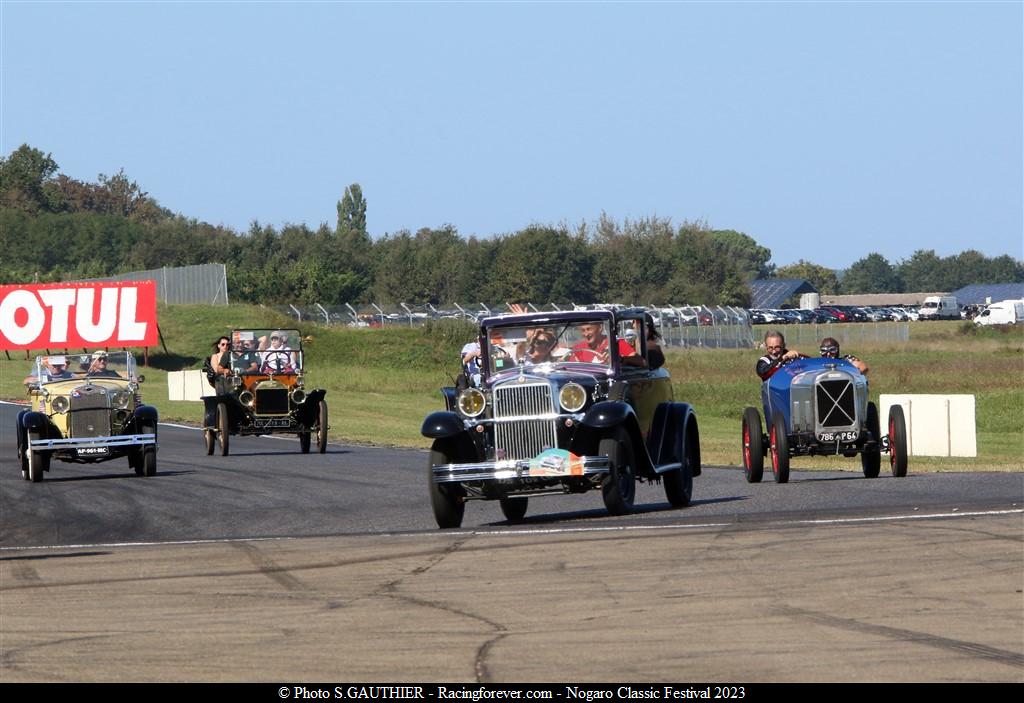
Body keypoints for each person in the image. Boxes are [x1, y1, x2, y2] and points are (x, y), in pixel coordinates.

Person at [569, 321, 642, 366]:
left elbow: (641, 362)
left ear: (600, 328)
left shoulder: (616, 343)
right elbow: (569, 369)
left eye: (589, 329)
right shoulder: (579, 348)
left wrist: (619, 359)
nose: (586, 334)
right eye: (583, 330)